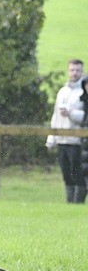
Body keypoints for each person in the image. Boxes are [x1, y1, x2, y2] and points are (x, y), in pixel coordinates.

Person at [47, 58, 86, 203]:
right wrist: (51, 137)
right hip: (61, 138)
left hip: (76, 139)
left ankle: (78, 202)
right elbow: (55, 115)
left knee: (77, 171)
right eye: (72, 70)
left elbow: (84, 117)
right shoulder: (62, 91)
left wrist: (71, 113)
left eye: (77, 70)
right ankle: (69, 202)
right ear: (68, 71)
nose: (74, 73)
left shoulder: (83, 92)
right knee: (65, 172)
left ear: (82, 71)